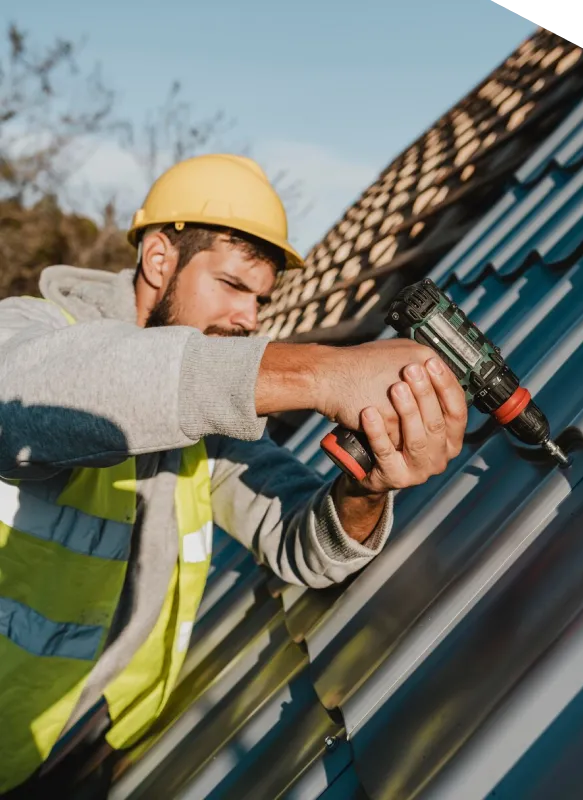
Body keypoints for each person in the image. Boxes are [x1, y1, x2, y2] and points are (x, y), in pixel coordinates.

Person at [0, 154, 468, 795]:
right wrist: (320, 372)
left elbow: (304, 544)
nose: (249, 318)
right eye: (231, 285)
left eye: (260, 298)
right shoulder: (31, 330)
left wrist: (369, 483)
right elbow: (31, 399)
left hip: (88, 746)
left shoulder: (209, 428)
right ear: (160, 259)